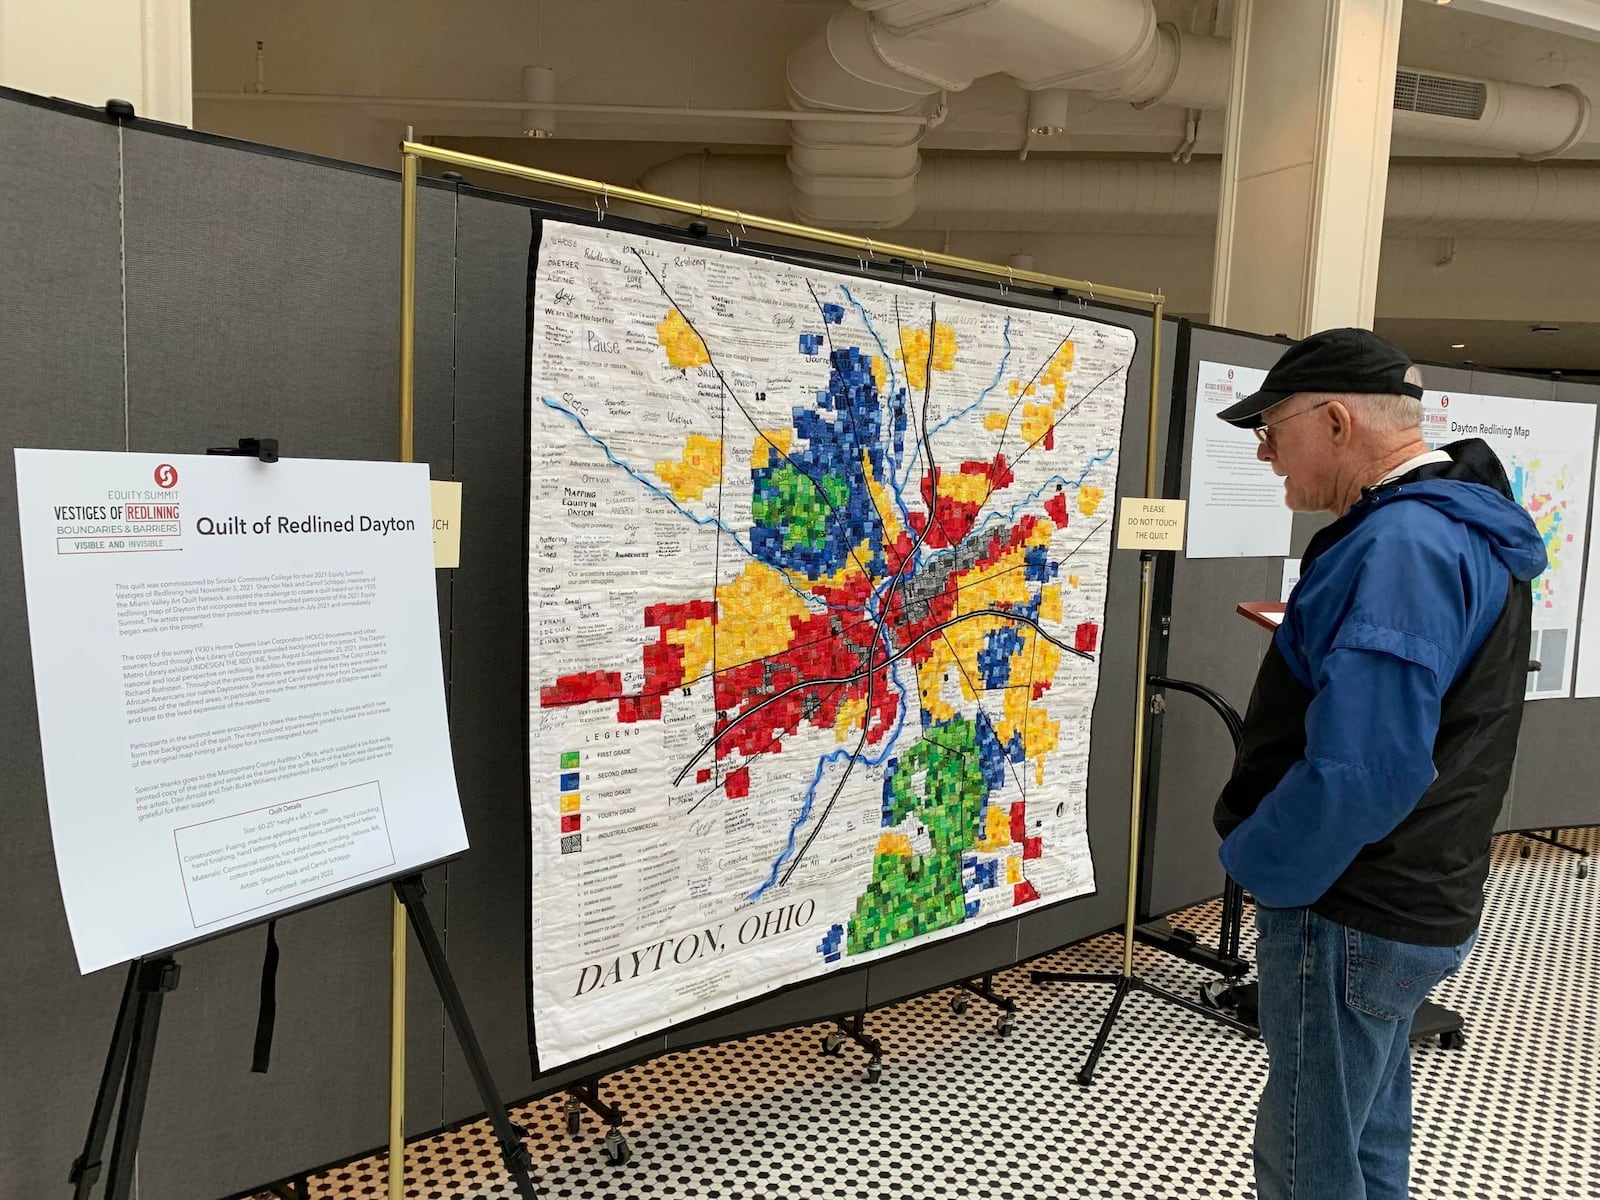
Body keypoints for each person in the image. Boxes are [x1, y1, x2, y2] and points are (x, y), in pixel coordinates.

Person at [1210, 327, 1547, 1200]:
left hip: (1350, 907)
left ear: (1332, 420)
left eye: (1270, 429)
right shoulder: (1460, 528)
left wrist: (1257, 861)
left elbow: (1366, 770)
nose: (1264, 454)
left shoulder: (1400, 547)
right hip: (1411, 894)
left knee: (1306, 1162)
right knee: (1363, 1139)